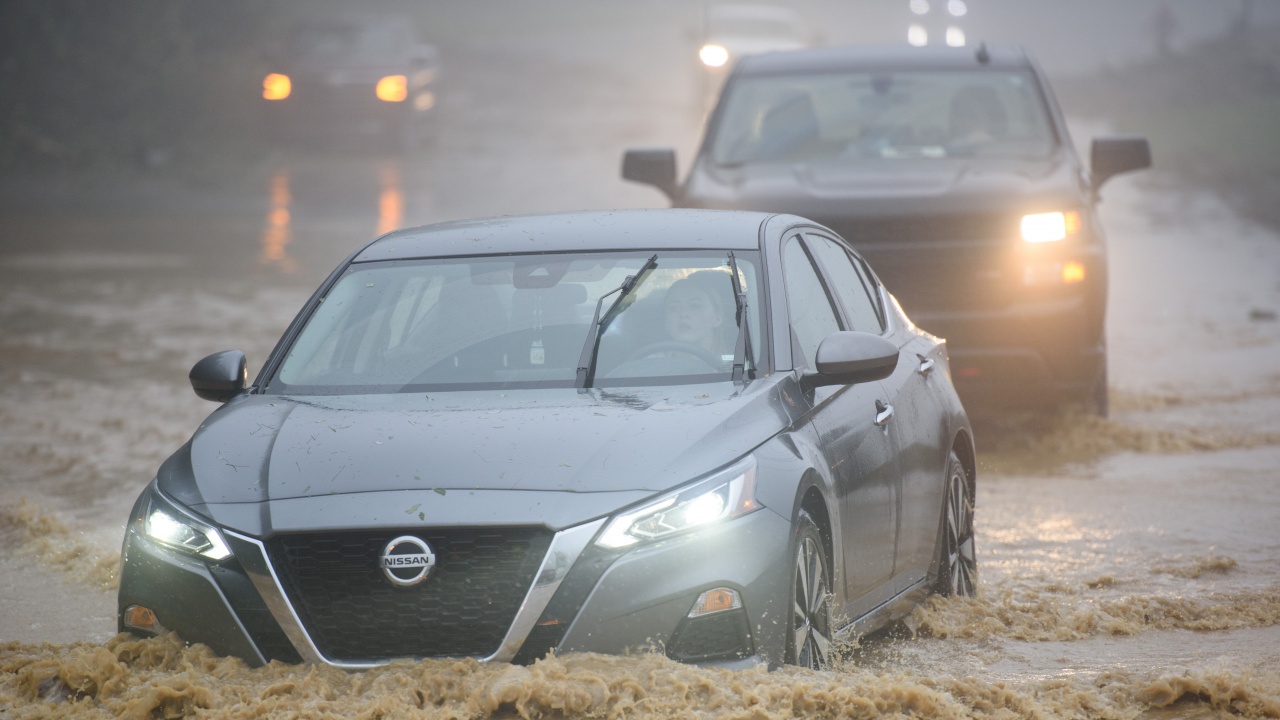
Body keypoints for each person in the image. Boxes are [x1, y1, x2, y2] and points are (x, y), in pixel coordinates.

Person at [663, 271, 729, 357]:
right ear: (665, 321)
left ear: (718, 318)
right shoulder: (647, 365)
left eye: (695, 306)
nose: (683, 314)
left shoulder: (737, 366)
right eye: (674, 308)